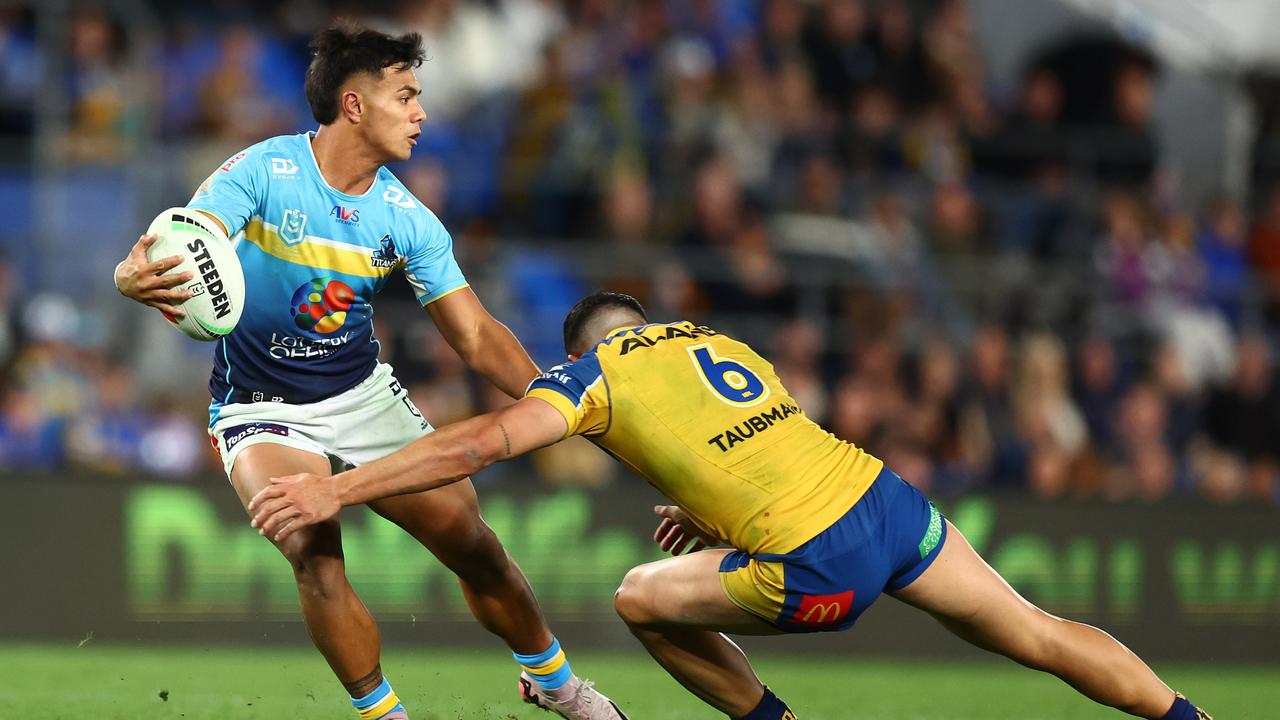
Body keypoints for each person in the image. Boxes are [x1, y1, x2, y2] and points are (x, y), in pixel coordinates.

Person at [249, 291, 1213, 720]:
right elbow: (753, 445)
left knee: (636, 596)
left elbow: (475, 444)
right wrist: (710, 514)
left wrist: (338, 483)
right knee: (1038, 632)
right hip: (885, 500)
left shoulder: (591, 378)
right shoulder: (723, 344)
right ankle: (1184, 717)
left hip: (818, 564)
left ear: (581, 346)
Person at [113, 25, 626, 720]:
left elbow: (474, 333)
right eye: (407, 96)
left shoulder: (406, 219)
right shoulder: (262, 172)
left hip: (361, 394)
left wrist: (563, 397)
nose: (421, 113)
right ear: (354, 105)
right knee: (308, 544)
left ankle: (559, 687)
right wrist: (130, 273)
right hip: (259, 405)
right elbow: (183, 239)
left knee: (472, 543)